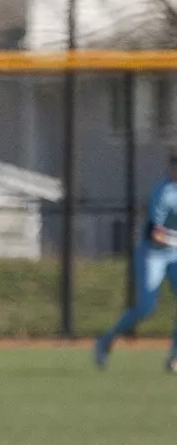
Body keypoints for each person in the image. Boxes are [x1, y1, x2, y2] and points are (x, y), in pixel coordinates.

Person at [95, 150, 177, 373]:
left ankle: (174, 358)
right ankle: (105, 341)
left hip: (175, 255)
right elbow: (154, 233)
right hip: (154, 254)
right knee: (145, 308)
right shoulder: (163, 192)